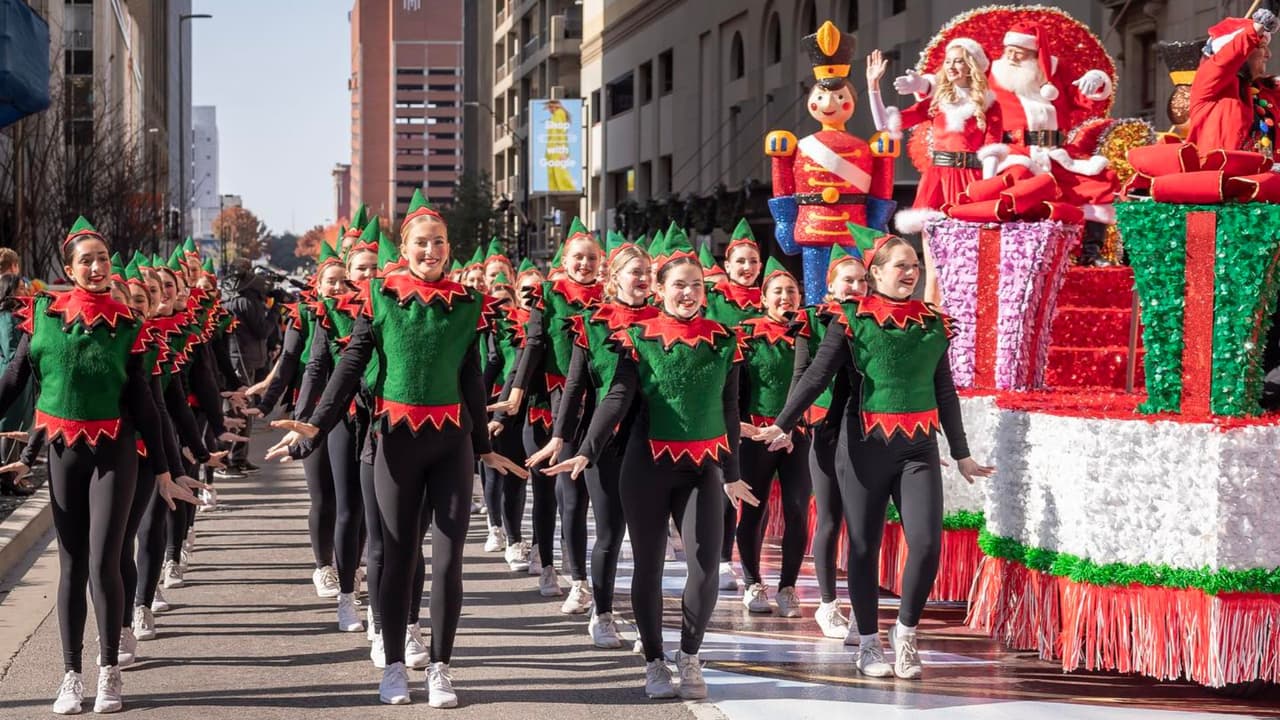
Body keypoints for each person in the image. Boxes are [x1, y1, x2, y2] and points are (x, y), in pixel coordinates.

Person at [267, 189, 525, 708]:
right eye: (422, 243)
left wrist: (481, 447)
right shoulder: (379, 296)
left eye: (439, 242)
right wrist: (315, 426)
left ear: (449, 247)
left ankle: (441, 668)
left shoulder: (467, 302)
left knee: (449, 560)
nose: (431, 250)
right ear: (404, 249)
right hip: (395, 441)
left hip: (451, 444)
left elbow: (471, 378)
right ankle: (393, 667)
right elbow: (349, 366)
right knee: (399, 554)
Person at [756, 224, 994, 681]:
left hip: (918, 447)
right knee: (864, 547)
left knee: (927, 543)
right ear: (877, 272)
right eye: (901, 265)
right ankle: (868, 641)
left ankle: (905, 632)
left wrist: (961, 452)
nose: (911, 273)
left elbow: (944, 391)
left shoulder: (932, 323)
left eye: (915, 266)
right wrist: (783, 423)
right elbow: (816, 376)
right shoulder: (851, 319)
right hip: (863, 445)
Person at [544, 231, 758, 700]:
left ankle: (690, 655)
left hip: (703, 468)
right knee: (649, 565)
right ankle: (655, 660)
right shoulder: (635, 338)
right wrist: (587, 448)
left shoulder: (725, 340)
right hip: (645, 466)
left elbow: (729, 409)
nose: (688, 293)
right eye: (679, 285)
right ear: (660, 291)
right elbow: (616, 396)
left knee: (705, 565)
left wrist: (733, 473)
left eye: (696, 285)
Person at [0, 218, 199, 714]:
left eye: (102, 259)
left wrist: (165, 470)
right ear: (69, 269)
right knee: (71, 564)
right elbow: (15, 379)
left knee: (104, 560)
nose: (96, 267)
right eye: (85, 261)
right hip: (64, 452)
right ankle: (71, 675)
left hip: (115, 453)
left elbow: (146, 405)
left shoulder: (128, 325)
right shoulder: (43, 315)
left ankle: (109, 668)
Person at [526, 241, 658, 648]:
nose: (642, 279)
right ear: (614, 277)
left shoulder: (662, 320)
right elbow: (575, 386)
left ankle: (649, 625)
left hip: (654, 441)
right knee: (610, 531)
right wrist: (559, 437)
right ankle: (601, 612)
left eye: (647, 273)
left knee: (648, 540)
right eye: (634, 272)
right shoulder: (591, 323)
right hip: (604, 440)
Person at [499, 218, 604, 608]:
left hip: (593, 403)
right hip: (549, 402)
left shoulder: (608, 298)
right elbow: (533, 346)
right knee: (547, 491)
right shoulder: (549, 296)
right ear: (565, 260)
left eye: (591, 258)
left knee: (576, 495)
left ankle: (579, 577)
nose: (584, 264)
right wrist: (516, 394)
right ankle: (547, 563)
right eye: (578, 257)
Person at [734, 257, 811, 618]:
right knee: (754, 507)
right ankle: (753, 583)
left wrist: (793, 426)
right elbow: (734, 386)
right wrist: (737, 425)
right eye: (777, 291)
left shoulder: (809, 334)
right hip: (756, 433)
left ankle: (788, 588)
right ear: (763, 298)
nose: (785, 298)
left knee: (797, 508)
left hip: (798, 433)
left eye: (791, 291)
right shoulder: (745, 334)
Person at [867, 41, 1002, 236]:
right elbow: (884, 125)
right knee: (931, 238)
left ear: (971, 66)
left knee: (967, 240)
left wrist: (987, 190)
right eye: (948, 61)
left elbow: (992, 150)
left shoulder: (989, 105)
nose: (951, 66)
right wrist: (873, 86)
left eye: (958, 61)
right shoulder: (936, 103)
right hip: (937, 179)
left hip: (971, 179)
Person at [804, 244, 866, 641]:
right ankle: (827, 603)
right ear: (830, 285)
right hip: (825, 428)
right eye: (848, 280)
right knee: (829, 517)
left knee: (863, 524)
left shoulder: (876, 322)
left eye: (862, 280)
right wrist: (789, 423)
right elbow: (805, 377)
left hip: (865, 431)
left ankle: (863, 609)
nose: (856, 287)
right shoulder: (813, 322)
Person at [702, 218, 762, 593]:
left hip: (759, 402)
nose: (746, 267)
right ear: (727, 265)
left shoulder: (770, 300)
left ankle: (751, 569)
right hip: (724, 400)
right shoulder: (713, 302)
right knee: (727, 479)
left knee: (751, 484)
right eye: (740, 261)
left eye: (753, 262)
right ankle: (723, 559)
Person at [1187, 9, 1280, 157]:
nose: (1268, 54)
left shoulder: (1267, 90)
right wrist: (1255, 29)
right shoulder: (1209, 83)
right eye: (1262, 46)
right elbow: (1226, 59)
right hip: (1219, 170)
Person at [224, 260, 274, 473]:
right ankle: (230, 459)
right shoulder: (243, 300)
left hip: (245, 358)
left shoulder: (236, 297)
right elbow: (262, 330)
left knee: (244, 409)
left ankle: (239, 457)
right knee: (240, 409)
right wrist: (275, 312)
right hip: (241, 359)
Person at [0, 272, 34, 496]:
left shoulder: (17, 315)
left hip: (22, 376)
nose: (25, 291)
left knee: (19, 426)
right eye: (20, 288)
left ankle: (14, 476)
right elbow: (11, 350)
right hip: (12, 375)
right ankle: (9, 477)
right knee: (10, 427)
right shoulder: (7, 318)